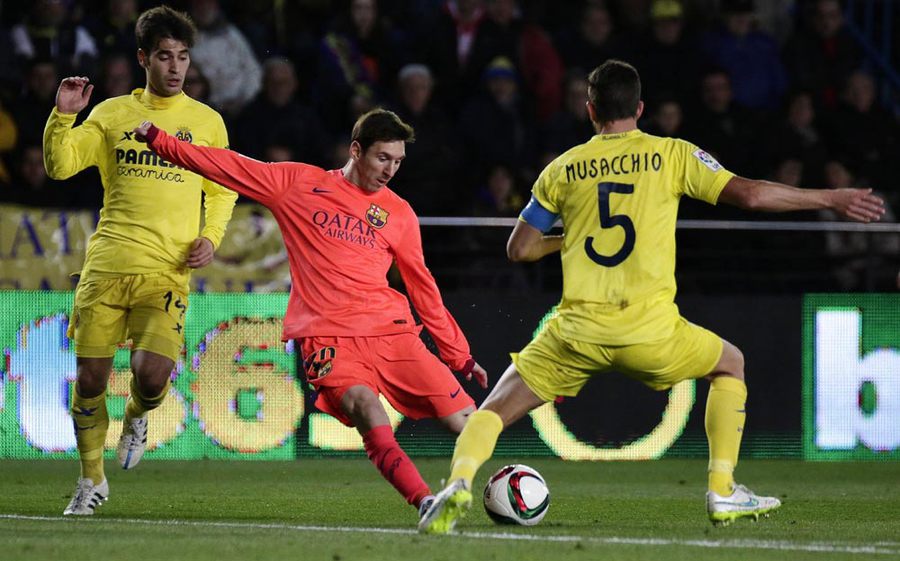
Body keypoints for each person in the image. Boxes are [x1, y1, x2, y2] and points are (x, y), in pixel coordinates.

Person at [418, 59, 885, 534]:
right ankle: (722, 490)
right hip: (651, 332)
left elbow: (519, 249)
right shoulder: (672, 155)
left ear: (589, 109)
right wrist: (831, 198)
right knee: (730, 364)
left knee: (493, 410)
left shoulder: (562, 168)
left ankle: (456, 484)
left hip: (576, 333)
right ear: (640, 108)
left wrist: (572, 237)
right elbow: (750, 196)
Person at [131, 108, 489, 518]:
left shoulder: (400, 213)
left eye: (398, 161)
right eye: (382, 158)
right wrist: (162, 141)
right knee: (366, 409)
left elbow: (423, 288)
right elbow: (229, 166)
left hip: (392, 334)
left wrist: (459, 355)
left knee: (469, 421)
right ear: (356, 150)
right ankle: (427, 502)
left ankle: (507, 486)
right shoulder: (299, 185)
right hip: (329, 338)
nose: (391, 170)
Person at [43, 6, 238, 516]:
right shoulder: (111, 114)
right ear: (143, 59)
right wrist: (63, 114)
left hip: (166, 272)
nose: (175, 67)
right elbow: (60, 166)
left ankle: (137, 416)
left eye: (182, 56)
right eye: (164, 56)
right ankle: (91, 481)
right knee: (89, 381)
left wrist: (211, 238)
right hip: (107, 266)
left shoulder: (206, 123)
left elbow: (222, 191)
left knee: (151, 376)